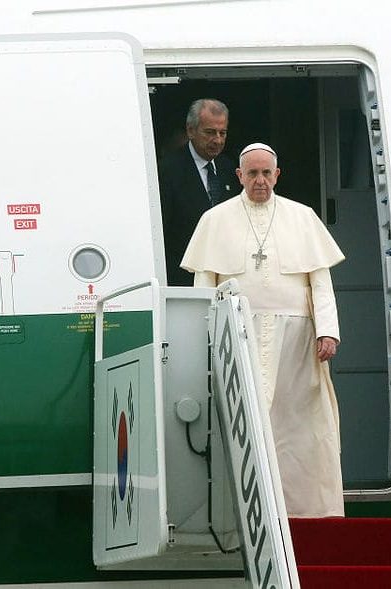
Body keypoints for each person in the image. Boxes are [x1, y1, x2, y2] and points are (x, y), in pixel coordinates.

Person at [181, 143, 345, 518]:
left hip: (299, 338)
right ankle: (244, 512)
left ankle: (310, 511)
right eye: (251, 173)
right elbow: (205, 284)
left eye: (266, 173)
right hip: (238, 335)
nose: (259, 180)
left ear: (277, 175)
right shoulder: (215, 220)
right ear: (238, 176)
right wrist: (205, 337)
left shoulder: (302, 217)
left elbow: (320, 281)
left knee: (301, 424)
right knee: (245, 422)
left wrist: (328, 332)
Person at [159, 98, 237, 286]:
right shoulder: (168, 170)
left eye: (222, 133)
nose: (217, 140)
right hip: (182, 279)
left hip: (225, 278)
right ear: (190, 130)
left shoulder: (229, 168)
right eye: (210, 132)